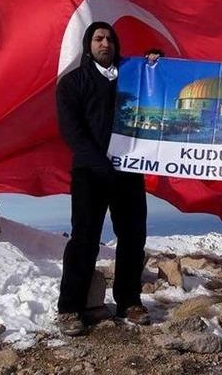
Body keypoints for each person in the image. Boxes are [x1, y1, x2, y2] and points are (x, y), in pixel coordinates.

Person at [55, 21, 161, 336]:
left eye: (110, 39)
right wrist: (100, 163)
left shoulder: (133, 78)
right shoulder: (73, 83)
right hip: (90, 173)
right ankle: (70, 308)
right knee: (84, 239)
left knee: (132, 237)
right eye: (99, 39)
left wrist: (155, 64)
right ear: (89, 45)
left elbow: (160, 91)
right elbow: (72, 131)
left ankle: (129, 300)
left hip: (128, 173)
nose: (105, 43)